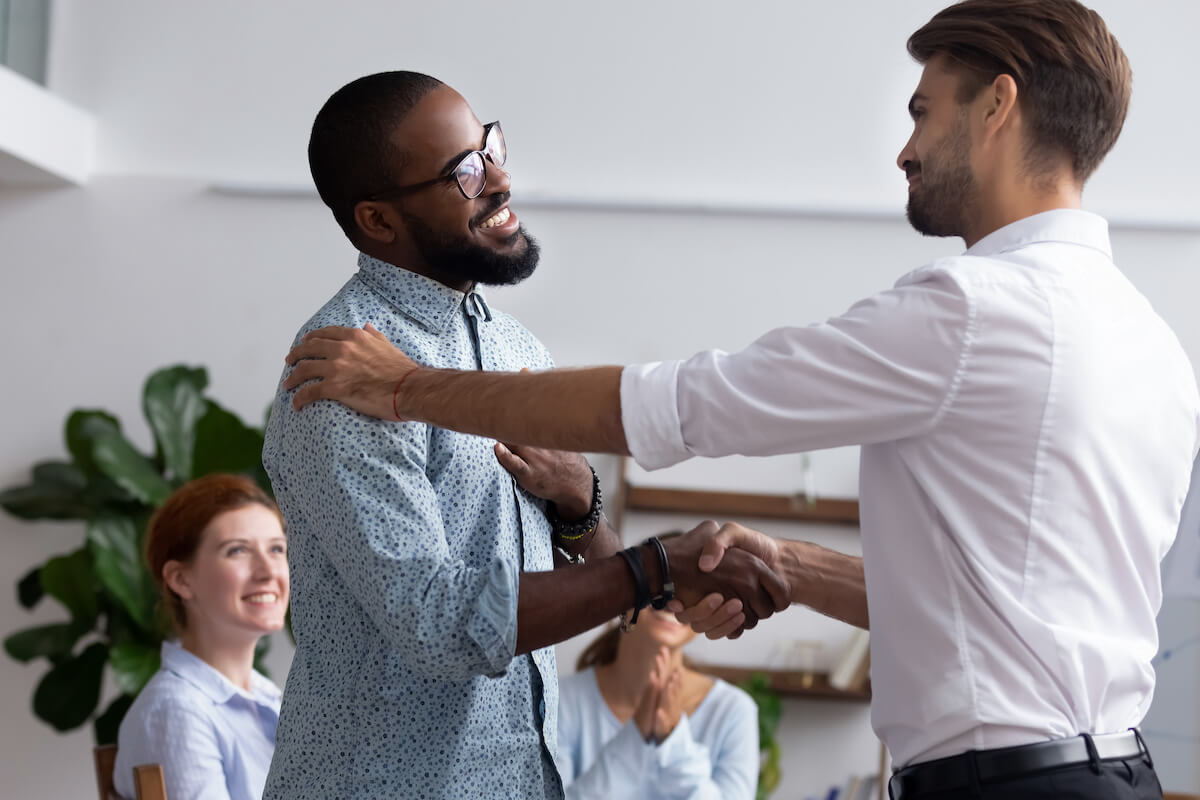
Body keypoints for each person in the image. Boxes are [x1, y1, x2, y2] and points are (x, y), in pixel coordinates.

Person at [281, 2, 1200, 798]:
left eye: (924, 112)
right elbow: (983, 606)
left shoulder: (975, 310)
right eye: (467, 169)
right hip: (1108, 770)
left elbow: (684, 405)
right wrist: (780, 564)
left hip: (1004, 784)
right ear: (378, 217)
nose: (904, 148)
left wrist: (405, 390)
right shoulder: (1150, 340)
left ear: (998, 106)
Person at [260, 71, 787, 800]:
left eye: (491, 147)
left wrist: (581, 505)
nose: (500, 181)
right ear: (379, 222)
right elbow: (438, 624)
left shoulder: (516, 350)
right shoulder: (338, 374)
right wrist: (656, 567)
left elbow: (592, 566)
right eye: (464, 173)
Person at [114, 474, 289, 800]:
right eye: (237, 550)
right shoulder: (176, 712)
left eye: (277, 549)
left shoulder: (266, 697)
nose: (269, 571)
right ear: (181, 579)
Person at [559, 605, 759, 799]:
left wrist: (674, 740)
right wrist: (634, 738)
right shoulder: (561, 702)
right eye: (658, 580)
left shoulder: (733, 711)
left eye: (690, 587)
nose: (672, 602)